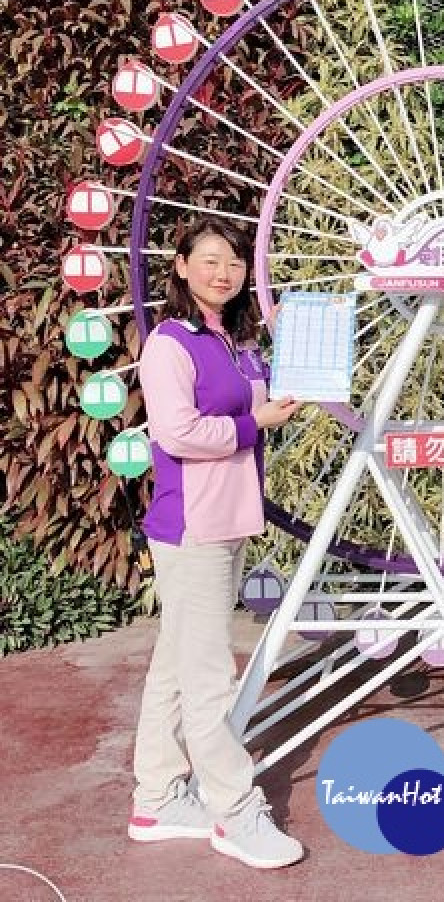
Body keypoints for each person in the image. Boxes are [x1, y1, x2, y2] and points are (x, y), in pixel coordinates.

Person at [128, 218, 304, 870]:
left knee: (176, 667)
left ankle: (156, 799)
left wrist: (300, 356)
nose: (223, 272)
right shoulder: (169, 344)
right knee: (208, 680)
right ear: (180, 266)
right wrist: (252, 423)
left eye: (232, 262)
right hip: (193, 526)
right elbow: (176, 433)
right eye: (209, 260)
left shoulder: (234, 341)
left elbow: (267, 399)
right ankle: (234, 811)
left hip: (230, 518)